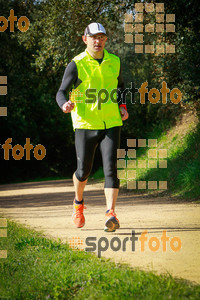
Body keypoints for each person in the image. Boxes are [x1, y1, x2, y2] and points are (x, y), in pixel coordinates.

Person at [56, 22, 128, 232]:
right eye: (93, 37)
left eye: (102, 37)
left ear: (106, 40)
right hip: (85, 124)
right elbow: (61, 91)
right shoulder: (76, 64)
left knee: (111, 169)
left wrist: (122, 106)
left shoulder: (114, 61)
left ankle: (110, 213)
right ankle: (78, 204)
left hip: (111, 122)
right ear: (84, 39)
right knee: (83, 170)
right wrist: (64, 104)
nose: (98, 41)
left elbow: (121, 87)